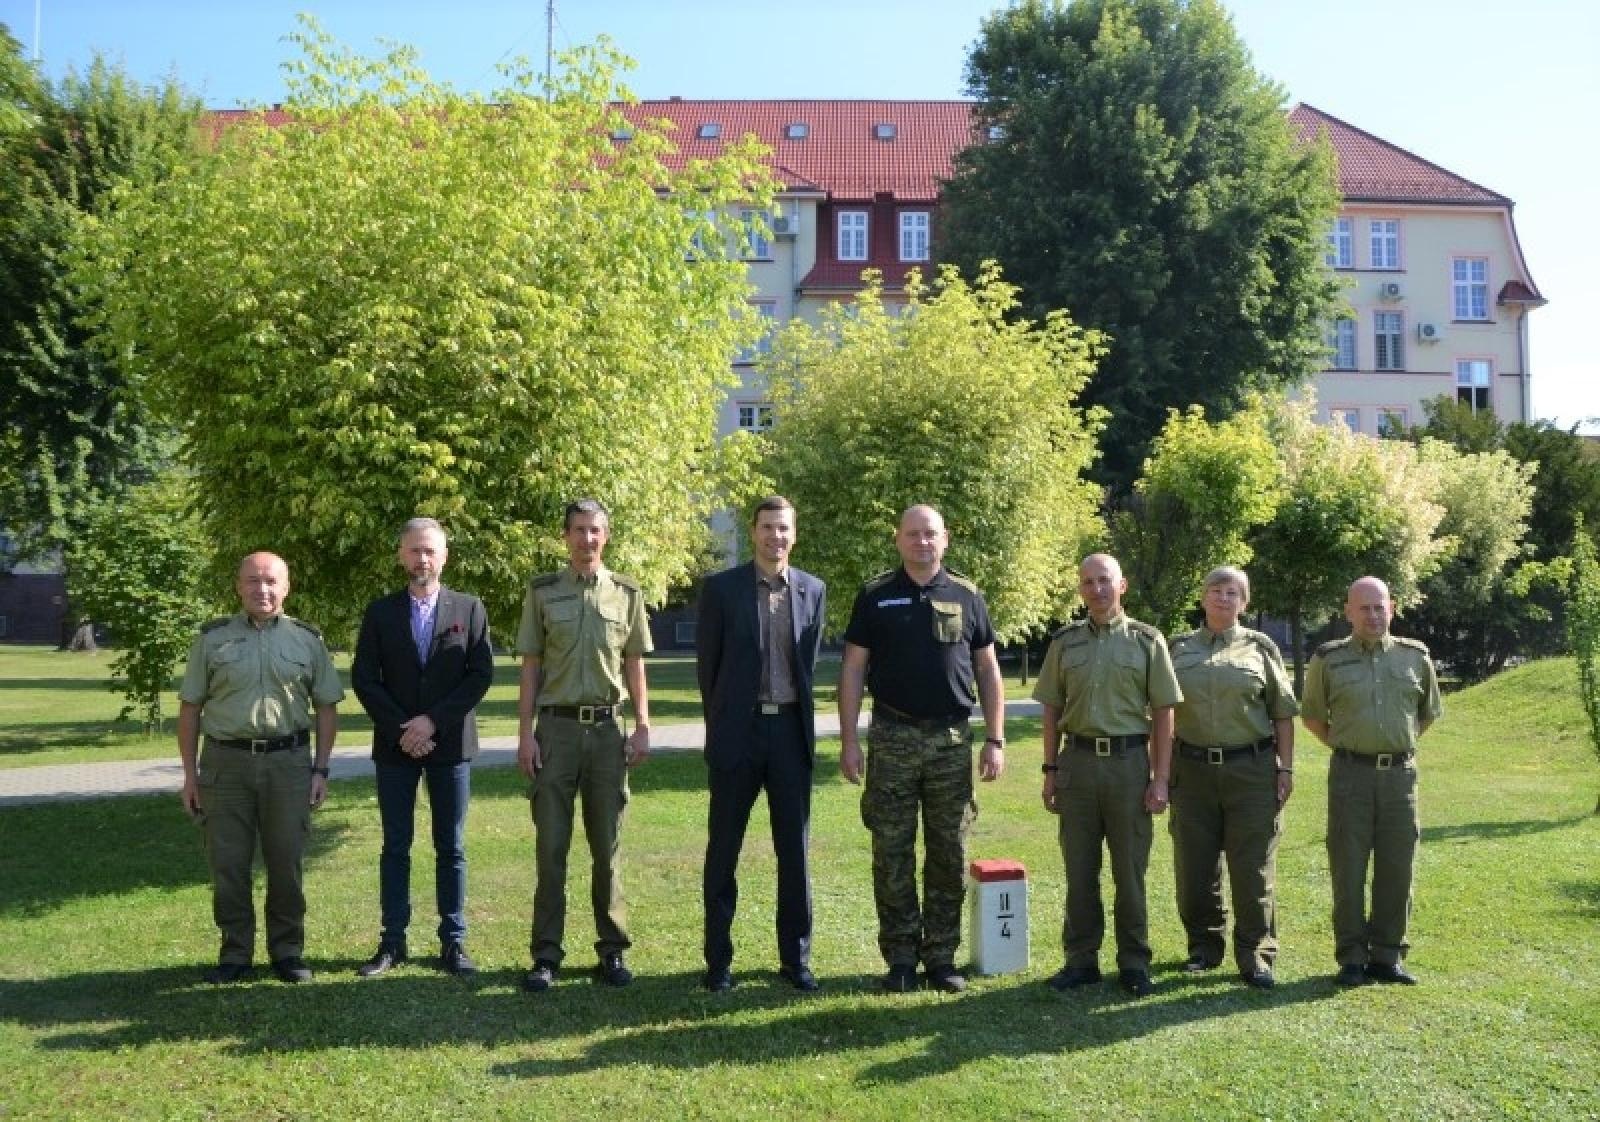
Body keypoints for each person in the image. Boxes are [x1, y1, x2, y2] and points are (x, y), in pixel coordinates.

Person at [838, 504, 1006, 994]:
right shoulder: (875, 596)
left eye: (930, 534)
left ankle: (941, 957)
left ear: (945, 539)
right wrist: (850, 741)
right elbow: (852, 669)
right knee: (890, 851)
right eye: (913, 534)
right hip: (891, 738)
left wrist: (995, 739)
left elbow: (988, 670)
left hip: (951, 742)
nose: (922, 542)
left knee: (949, 852)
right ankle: (901, 958)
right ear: (898, 540)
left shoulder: (967, 595)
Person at [177, 552, 343, 984]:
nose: (262, 589)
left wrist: (320, 769)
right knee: (228, 864)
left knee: (286, 862)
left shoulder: (308, 641)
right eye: (253, 581)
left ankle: (288, 951)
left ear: (286, 587)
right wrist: (190, 776)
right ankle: (235, 953)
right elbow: (191, 707)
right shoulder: (212, 640)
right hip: (224, 765)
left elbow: (327, 707)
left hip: (289, 766)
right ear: (239, 586)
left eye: (271, 581)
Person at [516, 498, 653, 993]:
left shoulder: (627, 594)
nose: (586, 539)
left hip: (607, 735)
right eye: (577, 530)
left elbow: (635, 663)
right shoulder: (542, 593)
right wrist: (524, 735)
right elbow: (530, 666)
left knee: (607, 848)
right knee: (551, 848)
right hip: (555, 734)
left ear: (606, 536)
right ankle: (546, 955)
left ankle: (612, 950)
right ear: (565, 536)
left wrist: (642, 725)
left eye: (595, 531)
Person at [351, 517, 494, 978]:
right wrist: (402, 729)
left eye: (430, 550)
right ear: (401, 556)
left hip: (450, 745)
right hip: (396, 749)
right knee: (396, 846)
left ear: (444, 556)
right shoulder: (379, 612)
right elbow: (364, 678)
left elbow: (480, 674)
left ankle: (453, 942)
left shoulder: (469, 609)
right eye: (414, 550)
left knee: (450, 846)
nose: (422, 558)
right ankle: (393, 941)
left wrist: (432, 721)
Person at [1034, 553, 1181, 998]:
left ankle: (1134, 962)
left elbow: (1163, 713)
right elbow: (1051, 709)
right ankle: (1081, 961)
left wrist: (1160, 779)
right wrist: (1050, 769)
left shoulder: (1147, 641)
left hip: (1128, 766)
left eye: (1104, 581)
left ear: (1122, 585)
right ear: (1080, 590)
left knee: (1130, 872)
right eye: (1087, 582)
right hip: (1077, 763)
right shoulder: (1065, 643)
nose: (1096, 589)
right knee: (1079, 870)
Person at [696, 496, 827, 993]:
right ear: (753, 532)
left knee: (794, 852)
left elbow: (808, 664)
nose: (776, 536)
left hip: (790, 734)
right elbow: (708, 670)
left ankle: (796, 960)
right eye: (768, 527)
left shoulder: (812, 590)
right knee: (723, 850)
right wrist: (723, 728)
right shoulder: (723, 590)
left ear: (794, 535)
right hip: (738, 735)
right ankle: (718, 962)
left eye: (784, 528)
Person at [1301, 575, 1441, 987]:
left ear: (1392, 608)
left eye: (1379, 606)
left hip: (1401, 779)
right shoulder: (1328, 659)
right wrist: (1351, 747)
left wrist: (1394, 746)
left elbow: (1427, 713)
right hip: (1350, 777)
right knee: (1348, 867)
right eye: (1363, 607)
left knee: (1398, 867)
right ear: (1348, 612)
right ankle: (1351, 958)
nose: (1373, 615)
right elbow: (1312, 717)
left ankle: (1387, 956)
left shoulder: (1415, 657)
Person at [1166, 566, 1298, 990]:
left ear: (1244, 602)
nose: (1223, 598)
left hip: (1252, 769)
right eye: (1216, 591)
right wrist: (1161, 772)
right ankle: (1204, 948)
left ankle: (1255, 953)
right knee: (1194, 865)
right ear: (1202, 598)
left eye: (1233, 592)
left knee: (1252, 867)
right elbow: (1162, 713)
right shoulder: (1177, 649)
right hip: (1192, 771)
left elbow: (1282, 712)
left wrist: (1286, 767)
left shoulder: (1260, 648)